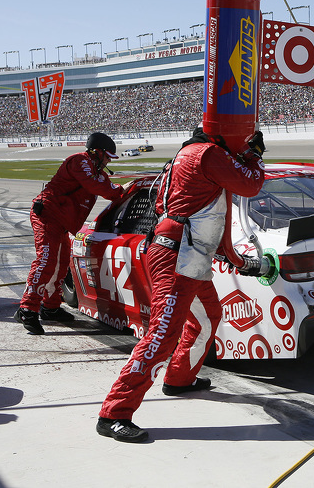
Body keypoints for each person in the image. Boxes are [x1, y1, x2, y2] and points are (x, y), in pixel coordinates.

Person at [96, 127, 265, 443]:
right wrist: (253, 155)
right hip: (177, 257)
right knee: (162, 336)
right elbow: (251, 184)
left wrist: (239, 259)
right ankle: (114, 413)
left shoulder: (199, 155)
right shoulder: (207, 154)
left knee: (208, 316)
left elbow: (222, 227)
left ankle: (179, 378)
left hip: (189, 255)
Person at [15, 132, 126, 335]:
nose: (110, 160)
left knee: (61, 264)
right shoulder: (79, 161)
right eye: (108, 156)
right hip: (47, 216)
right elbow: (100, 187)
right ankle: (27, 309)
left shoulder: (98, 172)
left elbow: (109, 190)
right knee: (47, 262)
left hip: (61, 222)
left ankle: (50, 307)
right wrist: (120, 189)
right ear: (97, 152)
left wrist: (121, 190)